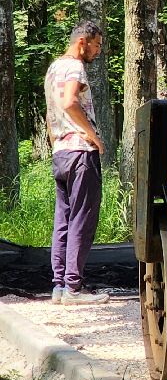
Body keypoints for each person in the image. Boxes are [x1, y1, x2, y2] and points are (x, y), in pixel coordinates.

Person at [44, 21, 109, 305]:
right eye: (96, 45)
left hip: (60, 151)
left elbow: (51, 112)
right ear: (82, 42)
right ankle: (73, 288)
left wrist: (54, 142)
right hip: (80, 152)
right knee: (82, 218)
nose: (98, 51)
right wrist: (93, 136)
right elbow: (70, 101)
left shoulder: (52, 69)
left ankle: (59, 286)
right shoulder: (74, 67)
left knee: (64, 219)